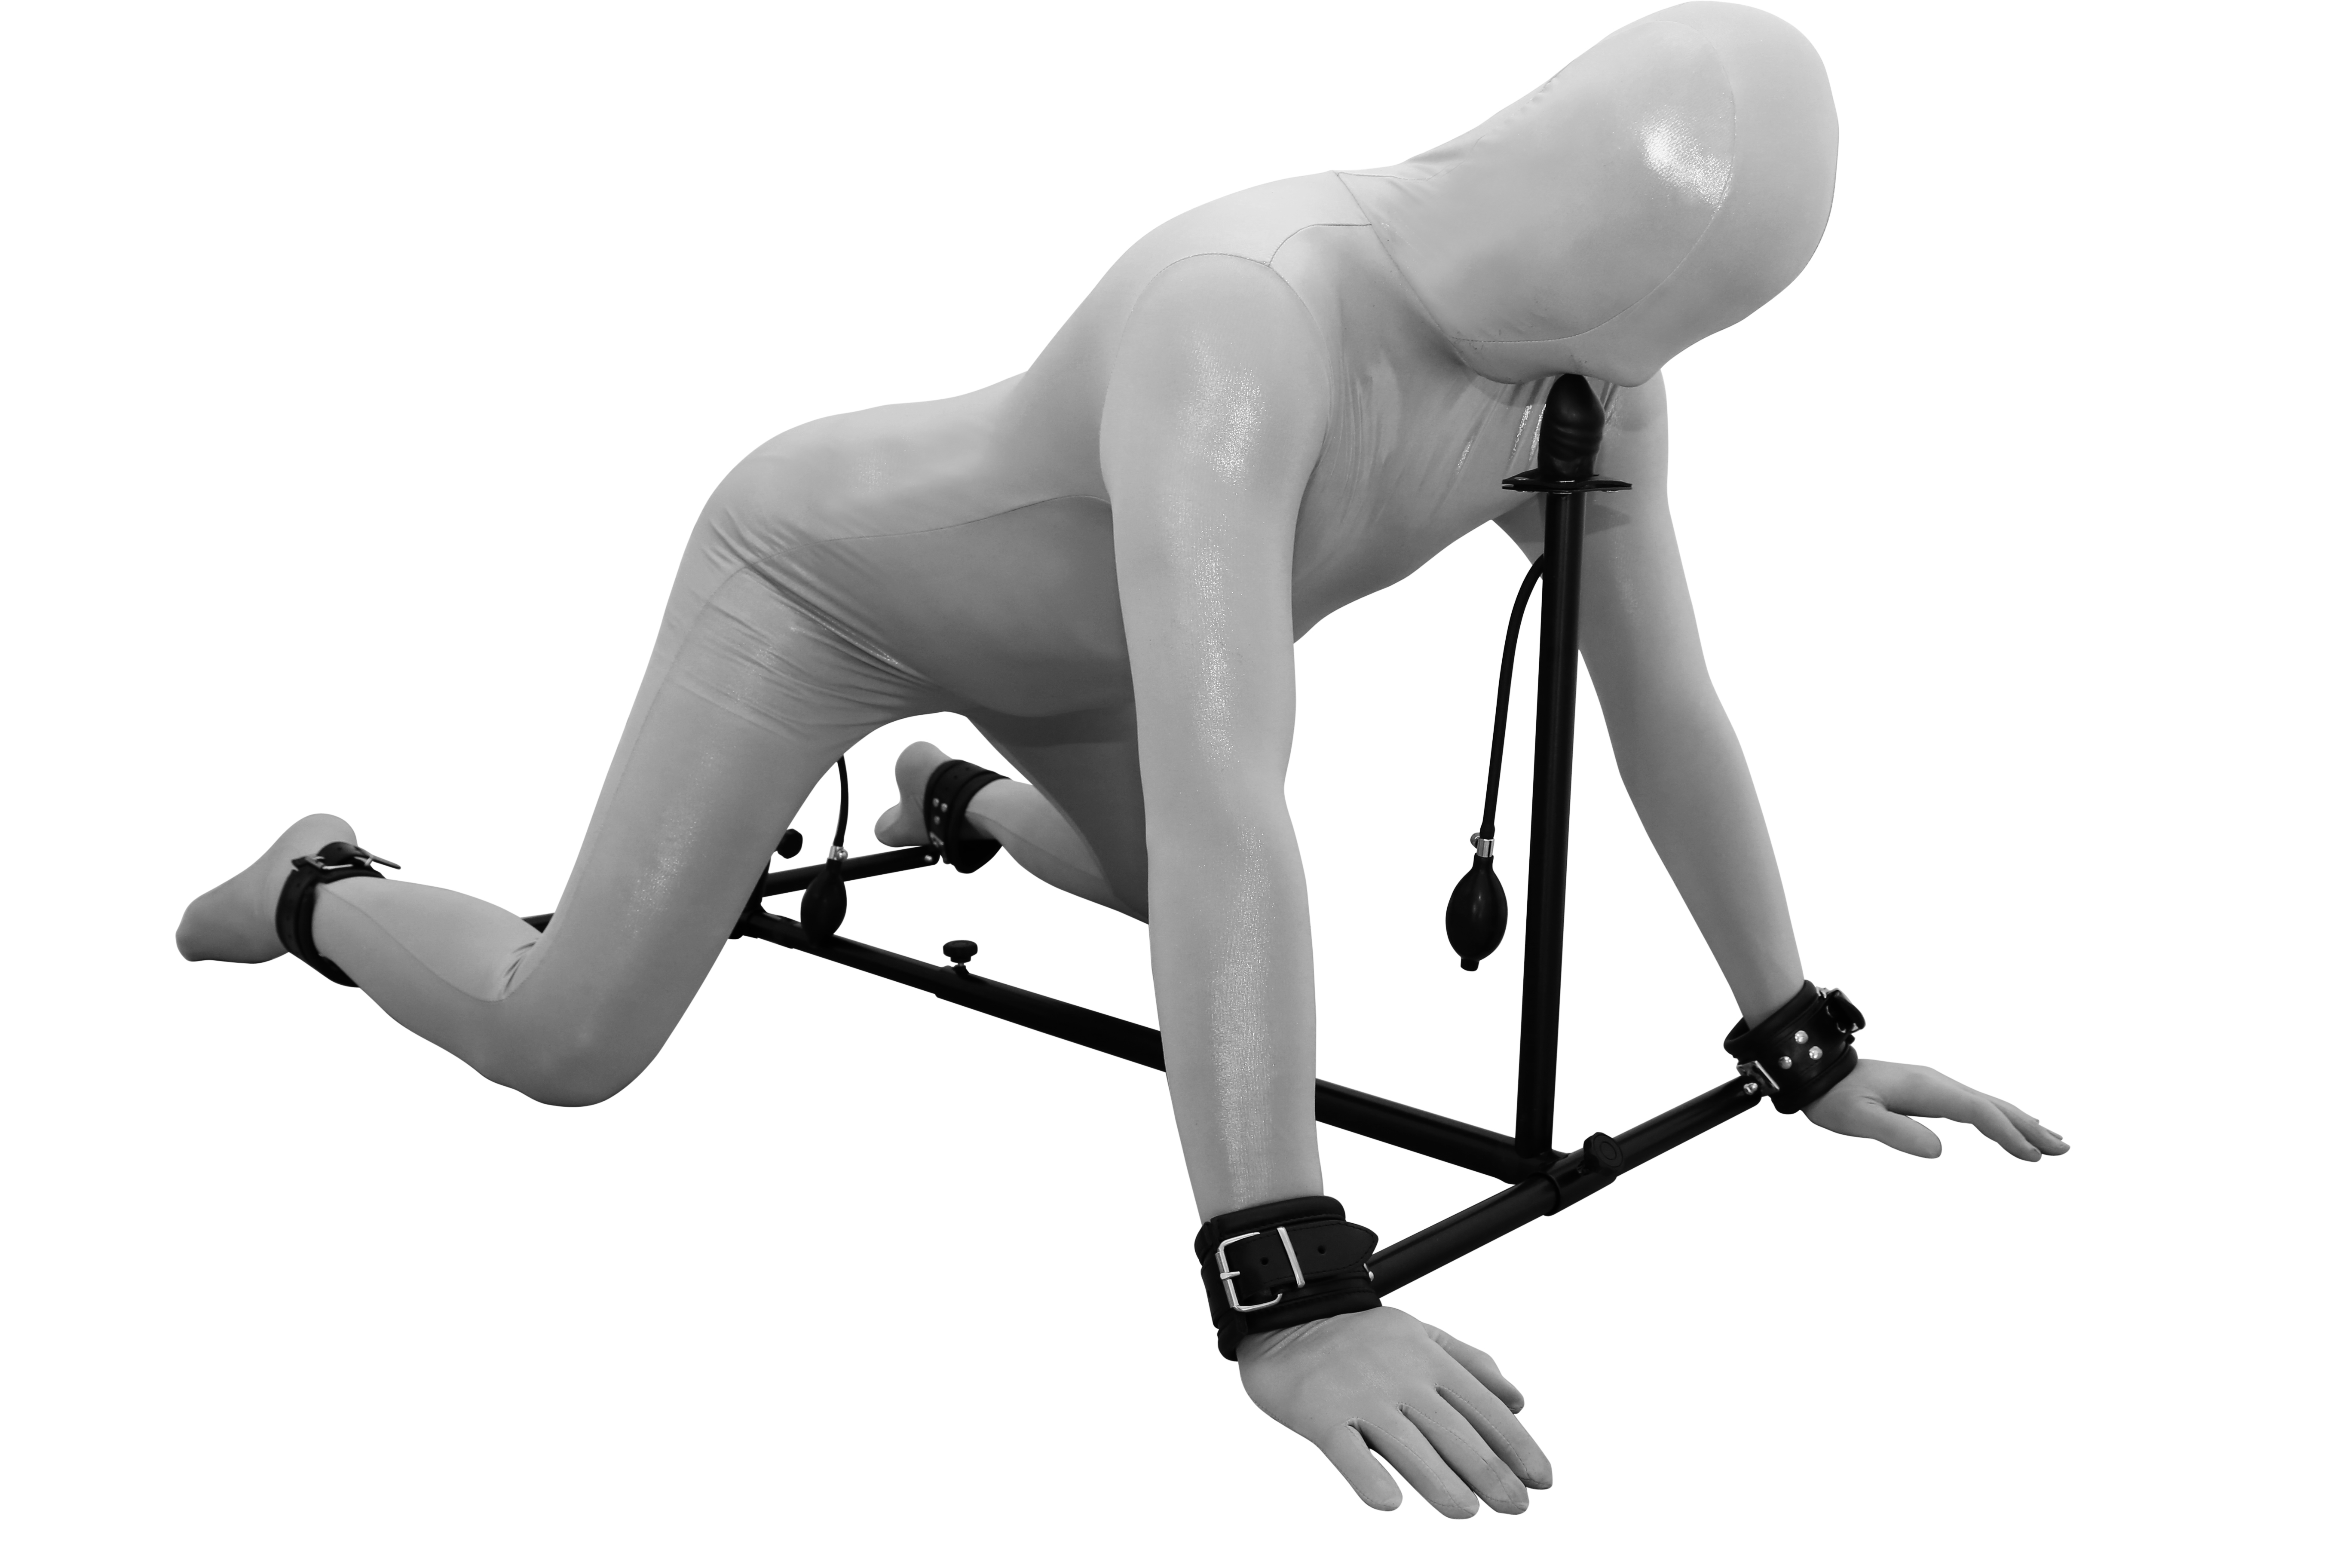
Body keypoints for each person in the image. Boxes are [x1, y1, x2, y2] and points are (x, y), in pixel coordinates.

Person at [177, 3, 2066, 1517]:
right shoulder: (1249, 313)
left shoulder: (1595, 387)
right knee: (570, 1040)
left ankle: (953, 802)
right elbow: (1236, 791)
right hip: (821, 586)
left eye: (1669, 316)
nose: (1629, 346)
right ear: (1536, 169)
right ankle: (319, 886)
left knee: (1189, 917)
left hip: (1086, 678)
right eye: (1617, 278)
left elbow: (1667, 704)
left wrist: (1797, 1037)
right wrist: (1287, 1286)